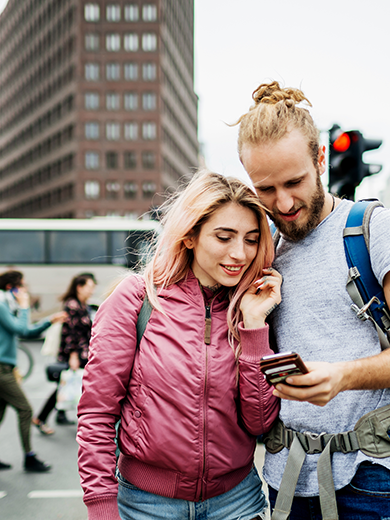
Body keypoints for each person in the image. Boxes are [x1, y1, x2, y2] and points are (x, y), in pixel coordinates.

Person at [235, 81, 390, 519]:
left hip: (373, 480)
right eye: (266, 190)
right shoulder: (263, 247)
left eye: (295, 182)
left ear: (320, 159)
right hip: (286, 479)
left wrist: (342, 377)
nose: (284, 202)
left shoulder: (378, 230)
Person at [77, 171, 281, 520]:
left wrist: (254, 326)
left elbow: (260, 422)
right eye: (224, 237)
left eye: (250, 239)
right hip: (145, 505)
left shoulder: (252, 305)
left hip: (237, 502)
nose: (240, 253)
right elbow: (97, 413)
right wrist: (101, 506)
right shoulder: (138, 299)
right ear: (190, 236)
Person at [0, 270, 66, 473]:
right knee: (26, 410)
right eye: (23, 285)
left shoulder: (7, 307)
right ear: (12, 288)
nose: (26, 290)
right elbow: (22, 330)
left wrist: (49, 320)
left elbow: (26, 331)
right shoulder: (0, 308)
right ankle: (29, 457)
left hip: (4, 367)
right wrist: (25, 306)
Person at [33, 273, 97, 434]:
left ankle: (59, 415)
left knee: (67, 383)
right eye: (89, 287)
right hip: (75, 354)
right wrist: (73, 355)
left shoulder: (82, 304)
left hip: (81, 352)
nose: (91, 291)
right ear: (79, 287)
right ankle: (40, 418)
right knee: (65, 384)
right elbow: (71, 332)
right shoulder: (73, 305)